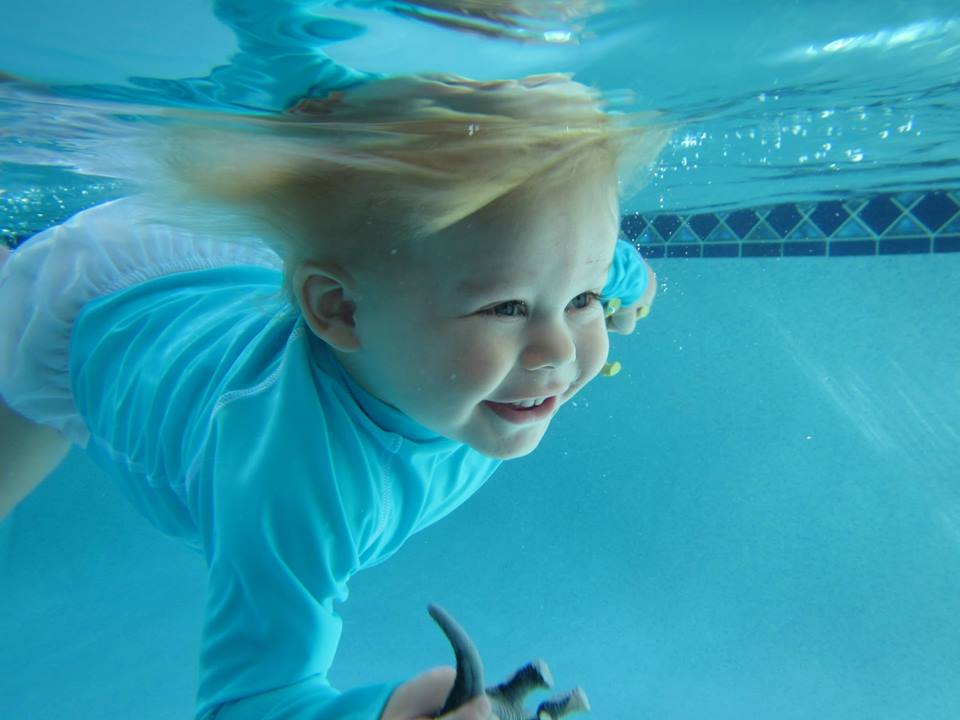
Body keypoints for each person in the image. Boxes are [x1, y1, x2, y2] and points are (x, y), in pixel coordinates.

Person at [0, 73, 668, 719]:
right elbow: (247, 705)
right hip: (92, 312)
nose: (560, 352)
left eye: (581, 299)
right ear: (341, 312)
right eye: (507, 307)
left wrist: (623, 277)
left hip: (226, 267)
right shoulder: (297, 482)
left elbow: (549, 242)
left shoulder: (424, 304)